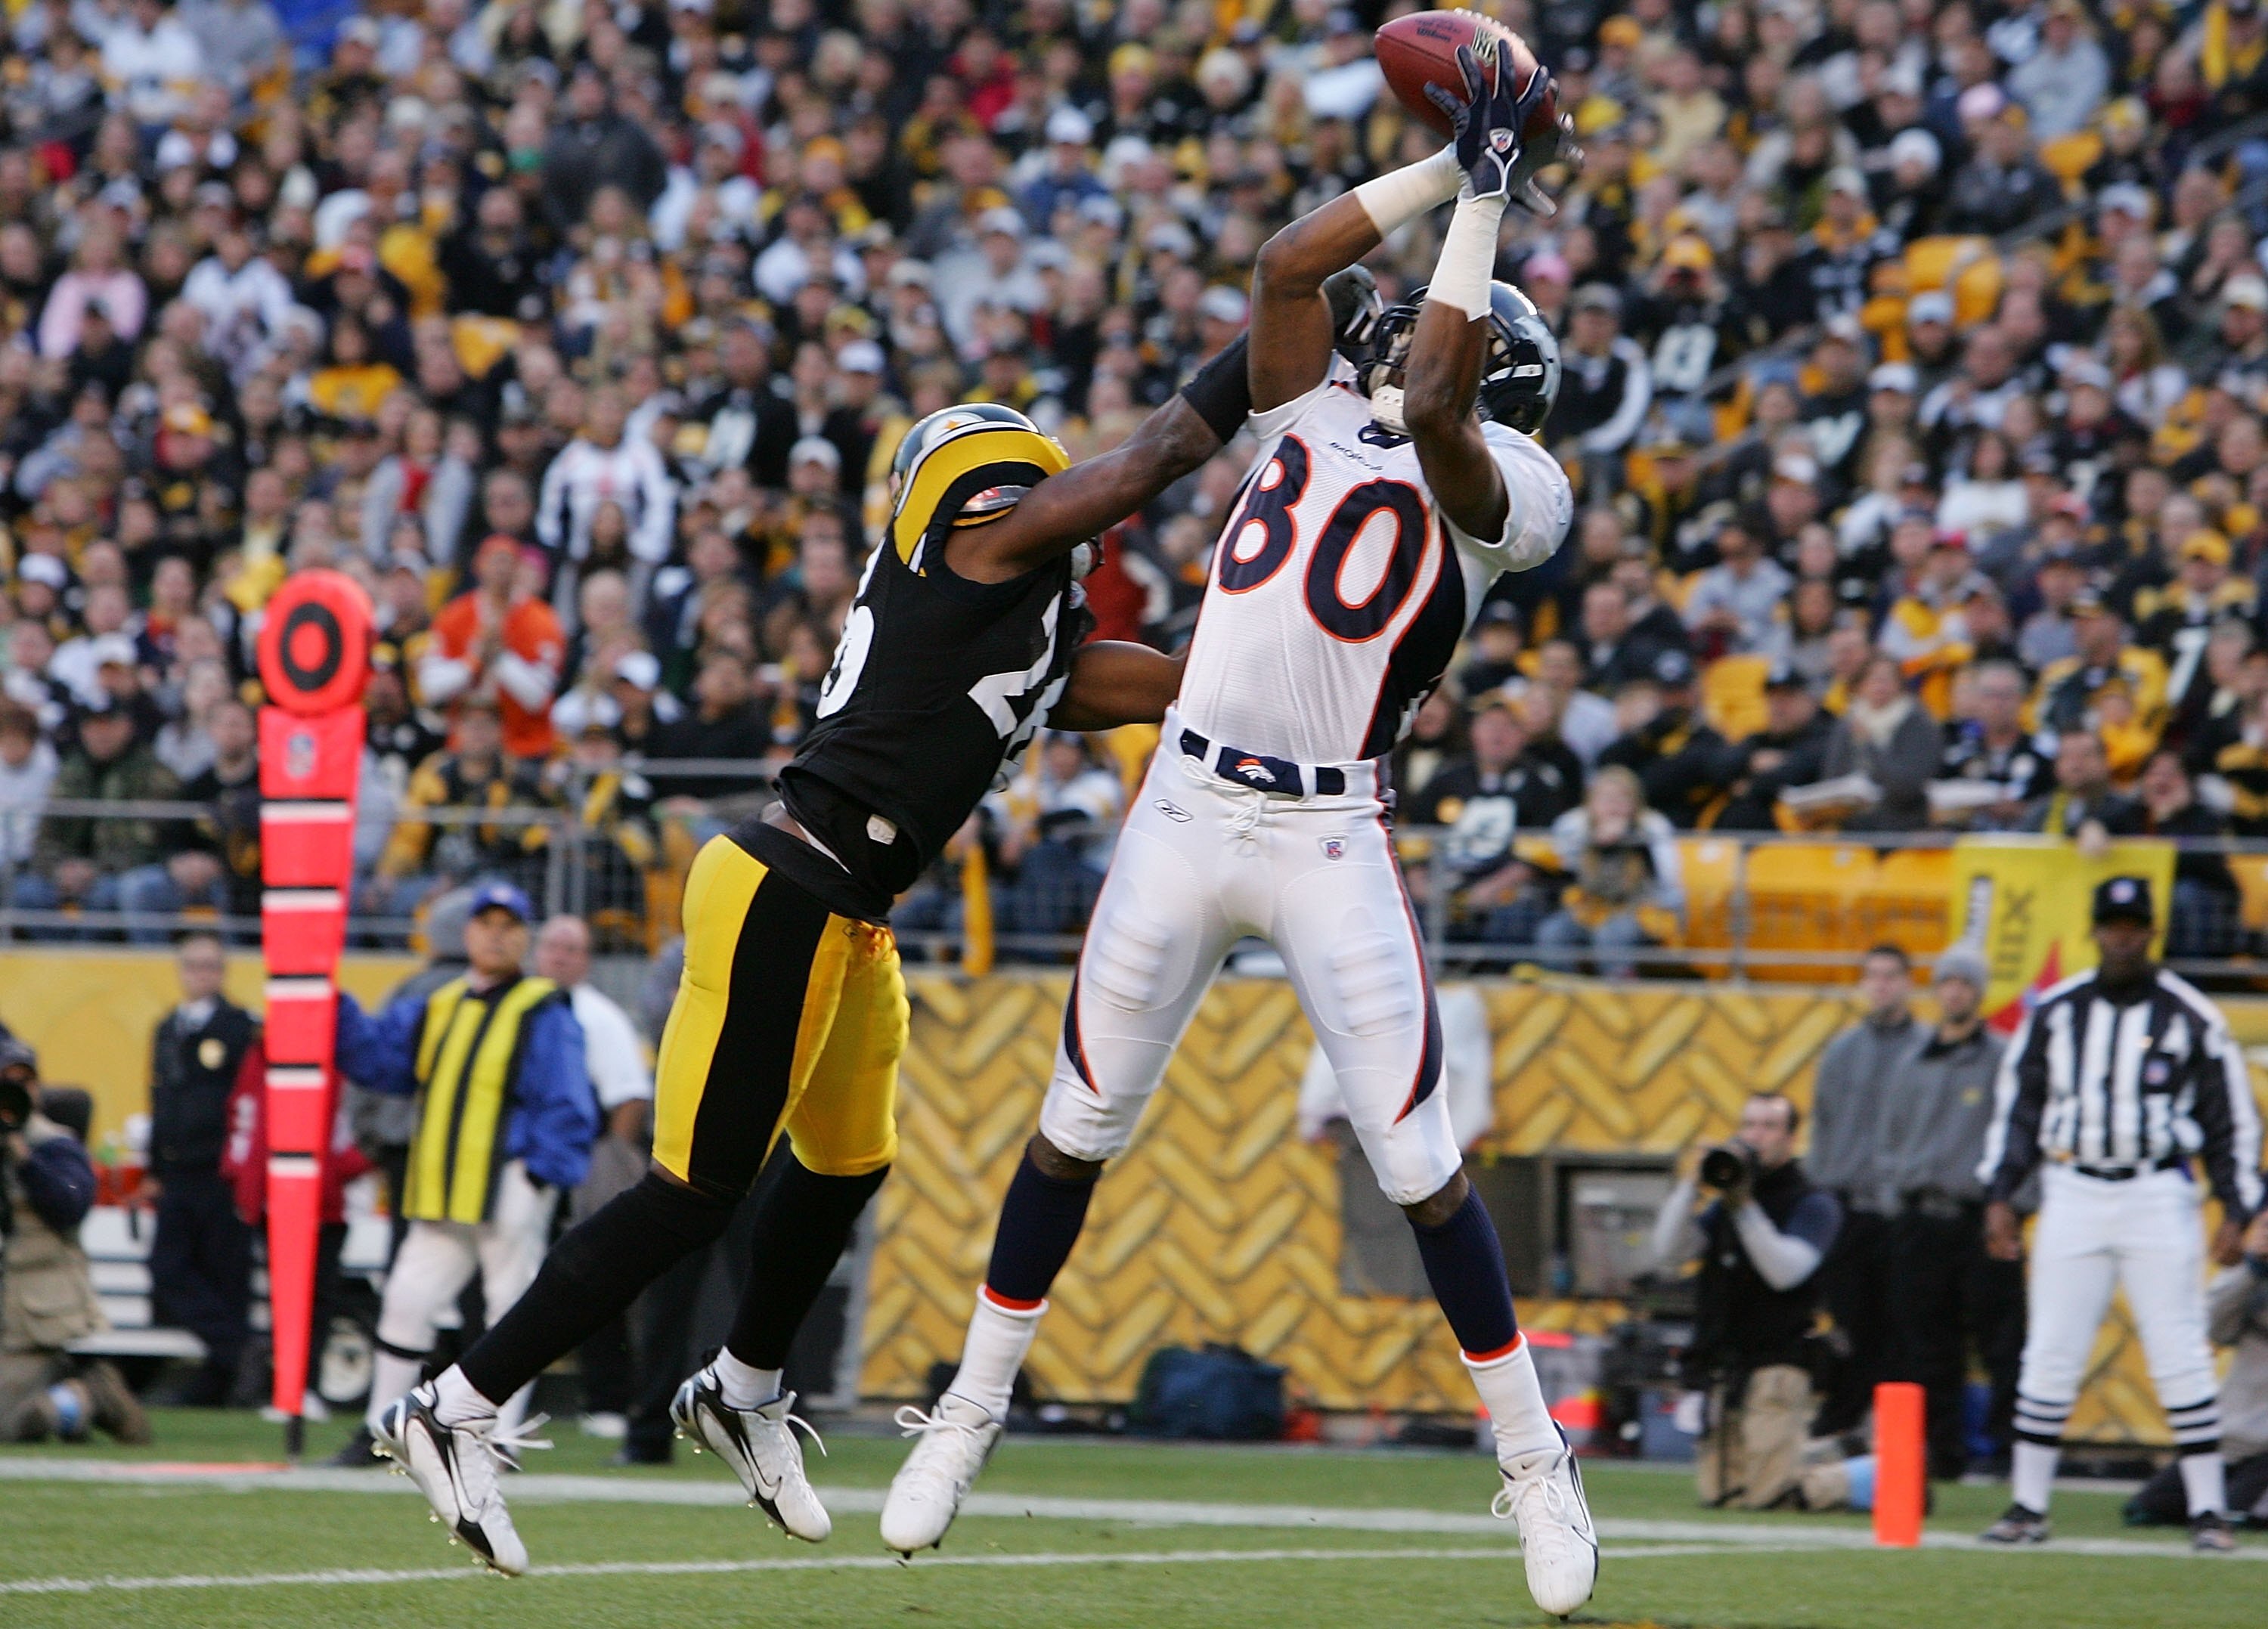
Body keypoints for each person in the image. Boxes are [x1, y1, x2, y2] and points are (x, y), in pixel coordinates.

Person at [370, 317, 1264, 1575]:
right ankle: (456, 1405)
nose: (1015, 510)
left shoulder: (1034, 638)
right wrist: (1284, 334)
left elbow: (1191, 682)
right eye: (996, 494)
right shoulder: (968, 561)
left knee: (846, 1163)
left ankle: (743, 1385)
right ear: (951, 514)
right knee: (693, 1189)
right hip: (785, 880)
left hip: (849, 909)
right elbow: (1156, 454)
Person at [882, 72, 1599, 1620]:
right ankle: (967, 1414)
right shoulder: (1318, 398)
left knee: (1416, 1158)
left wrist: (1486, 202)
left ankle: (1538, 1465)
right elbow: (1288, 270)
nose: (1390, 331)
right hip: (1188, 807)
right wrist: (1442, 164)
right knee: (1077, 1124)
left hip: (1326, 827)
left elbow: (1437, 411)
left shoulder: (1512, 488)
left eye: (1430, 319)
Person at [1978, 876, 2263, 1552]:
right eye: (2113, 923)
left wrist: (2237, 1204)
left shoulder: (2191, 1015)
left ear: (2152, 931)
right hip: (2073, 1186)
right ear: (2095, 928)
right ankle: (2027, 1504)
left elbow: (2231, 1120)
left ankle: (2208, 1511)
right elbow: (2019, 1105)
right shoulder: (2056, 1010)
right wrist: (2000, 1191)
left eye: (2134, 924)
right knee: (2050, 1349)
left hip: (2155, 1191)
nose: (2123, 935)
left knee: (2180, 1351)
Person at [328, 883, 596, 1467]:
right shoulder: (442, 1002)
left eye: (509, 925)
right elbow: (379, 1060)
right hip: (445, 1187)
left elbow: (568, 1098)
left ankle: (495, 1439)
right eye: (486, 923)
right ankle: (385, 1431)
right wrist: (332, 1003)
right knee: (405, 1300)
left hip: (506, 1184)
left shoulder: (542, 1009)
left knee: (510, 1307)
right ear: (467, 932)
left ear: (524, 937)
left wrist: (538, 1175)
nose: (496, 934)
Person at [1650, 1092, 1846, 1510]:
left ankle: (1873, 1475)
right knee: (1722, 1496)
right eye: (1749, 1125)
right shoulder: (1723, 1203)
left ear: (1791, 1139)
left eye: (1769, 1126)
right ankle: (1818, 1453)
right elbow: (1668, 1253)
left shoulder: (1812, 1202)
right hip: (1724, 1365)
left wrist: (1744, 1205)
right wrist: (1691, 1185)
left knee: (1771, 1496)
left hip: (1780, 1361)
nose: (1755, 1136)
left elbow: (1785, 1272)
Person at [1878, 948, 2024, 1479]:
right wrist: (1897, 1196)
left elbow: (2022, 1135)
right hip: (1921, 1218)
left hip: (1980, 1217)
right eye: (1947, 982)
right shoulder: (1912, 1061)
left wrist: (2013, 1207)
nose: (1955, 992)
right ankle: (1940, 1453)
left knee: (2002, 1341)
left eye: (1965, 982)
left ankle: (2011, 1452)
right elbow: (1889, 1137)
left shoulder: (2004, 1058)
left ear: (1980, 991)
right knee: (1925, 1344)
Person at [534, 912, 655, 1436]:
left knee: (595, 1278)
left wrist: (605, 1164)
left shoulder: (601, 1017)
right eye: (553, 946)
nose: (561, 956)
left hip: (582, 1162)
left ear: (586, 959)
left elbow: (628, 1096)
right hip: (526, 1163)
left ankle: (608, 1397)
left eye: (572, 948)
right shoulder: (522, 1008)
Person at [0, 1039, 146, 1445]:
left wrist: (24, 1159)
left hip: (35, 1320)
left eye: (24, 1082)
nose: (16, 1091)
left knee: (10, 1427)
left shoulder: (54, 1143)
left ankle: (92, 1394)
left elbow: (72, 1206)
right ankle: (68, 1391)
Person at [144, 932, 259, 1406]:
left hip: (221, 1171)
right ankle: (240, 1352)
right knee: (168, 1266)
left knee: (225, 1273)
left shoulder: (240, 1028)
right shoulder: (168, 1027)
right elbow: (160, 1098)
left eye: (210, 965)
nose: (201, 974)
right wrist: (153, 1163)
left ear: (223, 971)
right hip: (177, 1170)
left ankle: (222, 1377)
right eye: (193, 965)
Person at [1808, 945, 1916, 1438]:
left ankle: (1898, 1430)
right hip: (1849, 1209)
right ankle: (1845, 1421)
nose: (1881, 985)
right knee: (1849, 1324)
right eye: (1873, 976)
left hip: (1901, 1213)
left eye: (1890, 976)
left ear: (1908, 982)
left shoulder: (1927, 1049)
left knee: (1903, 1328)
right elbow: (1824, 1127)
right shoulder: (1842, 1050)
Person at [2124, 1206, 2268, 1527]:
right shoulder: (2252, 1270)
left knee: (2237, 1515)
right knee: (2147, 1511)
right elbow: (2212, 1327)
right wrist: (2254, 1268)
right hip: (2236, 1438)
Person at [1535, 766, 1683, 977]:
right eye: (1605, 799)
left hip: (1642, 909)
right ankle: (1564, 994)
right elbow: (1563, 874)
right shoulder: (1574, 825)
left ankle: (1617, 1000)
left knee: (1612, 934)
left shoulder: (1652, 826)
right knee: (1552, 932)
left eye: (1622, 799)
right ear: (1591, 803)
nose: (1613, 806)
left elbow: (1667, 880)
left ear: (1635, 804)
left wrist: (1632, 839)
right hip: (1590, 908)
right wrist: (1594, 844)